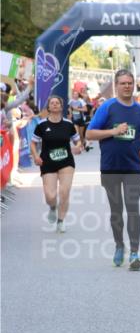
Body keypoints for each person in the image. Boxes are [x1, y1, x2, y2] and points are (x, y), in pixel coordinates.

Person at [85, 70, 140, 270]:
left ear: (134, 85)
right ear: (116, 85)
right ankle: (119, 245)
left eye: (130, 83)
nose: (127, 86)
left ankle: (134, 253)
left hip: (133, 168)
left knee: (133, 208)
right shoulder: (107, 107)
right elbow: (89, 134)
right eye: (123, 83)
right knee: (116, 211)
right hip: (111, 168)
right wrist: (113, 131)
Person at [30, 95, 83, 232]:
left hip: (66, 161)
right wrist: (36, 156)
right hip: (47, 162)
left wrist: (78, 146)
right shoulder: (42, 125)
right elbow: (33, 143)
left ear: (61, 106)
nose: (54, 105)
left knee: (64, 192)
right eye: (52, 103)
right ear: (48, 107)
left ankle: (61, 221)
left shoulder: (68, 124)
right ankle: (52, 207)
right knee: (50, 195)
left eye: (57, 103)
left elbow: (77, 141)